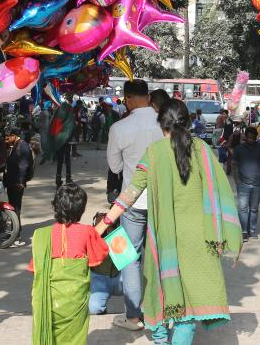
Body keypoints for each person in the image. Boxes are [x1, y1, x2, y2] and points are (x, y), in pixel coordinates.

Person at [97, 99, 242, 344]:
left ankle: (161, 339)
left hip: (166, 242)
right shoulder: (203, 150)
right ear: (188, 122)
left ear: (160, 124)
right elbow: (222, 192)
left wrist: (103, 224)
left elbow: (131, 193)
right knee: (186, 312)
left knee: (161, 293)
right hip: (200, 241)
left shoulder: (154, 153)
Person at [105, 79, 162, 332]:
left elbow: (115, 168)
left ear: (127, 99)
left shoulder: (119, 128)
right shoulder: (165, 123)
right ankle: (162, 312)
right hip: (163, 200)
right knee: (162, 255)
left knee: (129, 258)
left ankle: (133, 317)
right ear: (148, 96)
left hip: (132, 202)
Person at [29, 183, 108, 345]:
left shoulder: (42, 235)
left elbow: (35, 269)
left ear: (56, 206)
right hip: (75, 304)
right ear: (81, 210)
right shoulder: (87, 232)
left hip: (49, 303)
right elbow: (98, 257)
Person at [233, 126, 260, 240]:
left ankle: (252, 230)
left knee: (254, 208)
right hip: (243, 184)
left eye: (253, 137)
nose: (250, 139)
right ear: (245, 136)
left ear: (256, 137)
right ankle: (244, 231)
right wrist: (237, 180)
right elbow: (234, 165)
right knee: (243, 208)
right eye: (248, 137)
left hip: (257, 184)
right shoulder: (238, 149)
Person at [2, 127, 31, 218]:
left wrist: (21, 181)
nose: (6, 139)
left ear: (14, 136)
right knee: (12, 205)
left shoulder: (23, 146)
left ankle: (16, 228)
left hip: (17, 183)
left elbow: (24, 165)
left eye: (7, 137)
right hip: (11, 182)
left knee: (16, 206)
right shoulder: (14, 145)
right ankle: (15, 226)